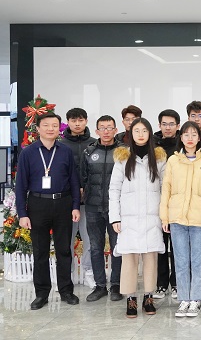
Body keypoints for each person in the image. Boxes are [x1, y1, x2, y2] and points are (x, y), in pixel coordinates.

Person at [16, 112, 81, 310]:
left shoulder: (65, 151)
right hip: (38, 205)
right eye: (46, 125)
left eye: (54, 125)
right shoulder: (28, 153)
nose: (50, 129)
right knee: (40, 251)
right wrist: (22, 214)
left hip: (62, 204)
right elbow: (20, 186)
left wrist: (75, 206)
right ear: (38, 128)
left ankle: (66, 291)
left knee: (64, 250)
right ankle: (41, 294)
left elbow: (74, 180)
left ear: (59, 128)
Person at [160, 121, 201, 318]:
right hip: (177, 218)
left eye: (194, 134)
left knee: (198, 260)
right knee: (180, 260)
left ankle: (196, 299)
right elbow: (166, 189)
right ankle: (184, 298)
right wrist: (164, 217)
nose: (190, 138)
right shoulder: (173, 160)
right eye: (186, 134)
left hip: (200, 219)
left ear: (199, 137)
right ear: (181, 137)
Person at [109, 117, 167, 318]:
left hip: (152, 217)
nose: (141, 134)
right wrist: (115, 217)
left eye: (144, 131)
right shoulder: (122, 158)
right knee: (129, 259)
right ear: (130, 134)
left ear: (150, 133)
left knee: (151, 258)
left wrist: (164, 216)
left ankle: (149, 297)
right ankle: (131, 298)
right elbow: (114, 189)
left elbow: (165, 189)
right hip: (129, 219)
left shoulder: (159, 158)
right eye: (136, 131)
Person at [81, 115, 123, 302]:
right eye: (102, 128)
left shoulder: (123, 152)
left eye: (109, 127)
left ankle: (116, 285)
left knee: (117, 248)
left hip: (116, 209)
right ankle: (100, 286)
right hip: (93, 207)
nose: (106, 131)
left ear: (115, 130)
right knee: (96, 247)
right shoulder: (89, 152)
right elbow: (83, 178)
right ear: (97, 131)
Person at [60, 107, 96, 288]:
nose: (77, 124)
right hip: (68, 200)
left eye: (80, 120)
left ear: (86, 121)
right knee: (67, 239)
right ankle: (68, 274)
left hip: (89, 201)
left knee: (90, 239)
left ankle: (89, 272)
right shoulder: (61, 144)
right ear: (68, 122)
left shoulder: (94, 143)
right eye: (73, 120)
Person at [153, 109, 180, 300]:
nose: (168, 127)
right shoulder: (153, 146)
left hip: (177, 203)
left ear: (178, 126)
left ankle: (177, 283)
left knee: (177, 246)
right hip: (158, 202)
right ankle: (161, 284)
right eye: (164, 124)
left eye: (171, 124)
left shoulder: (183, 146)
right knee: (161, 245)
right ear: (159, 125)